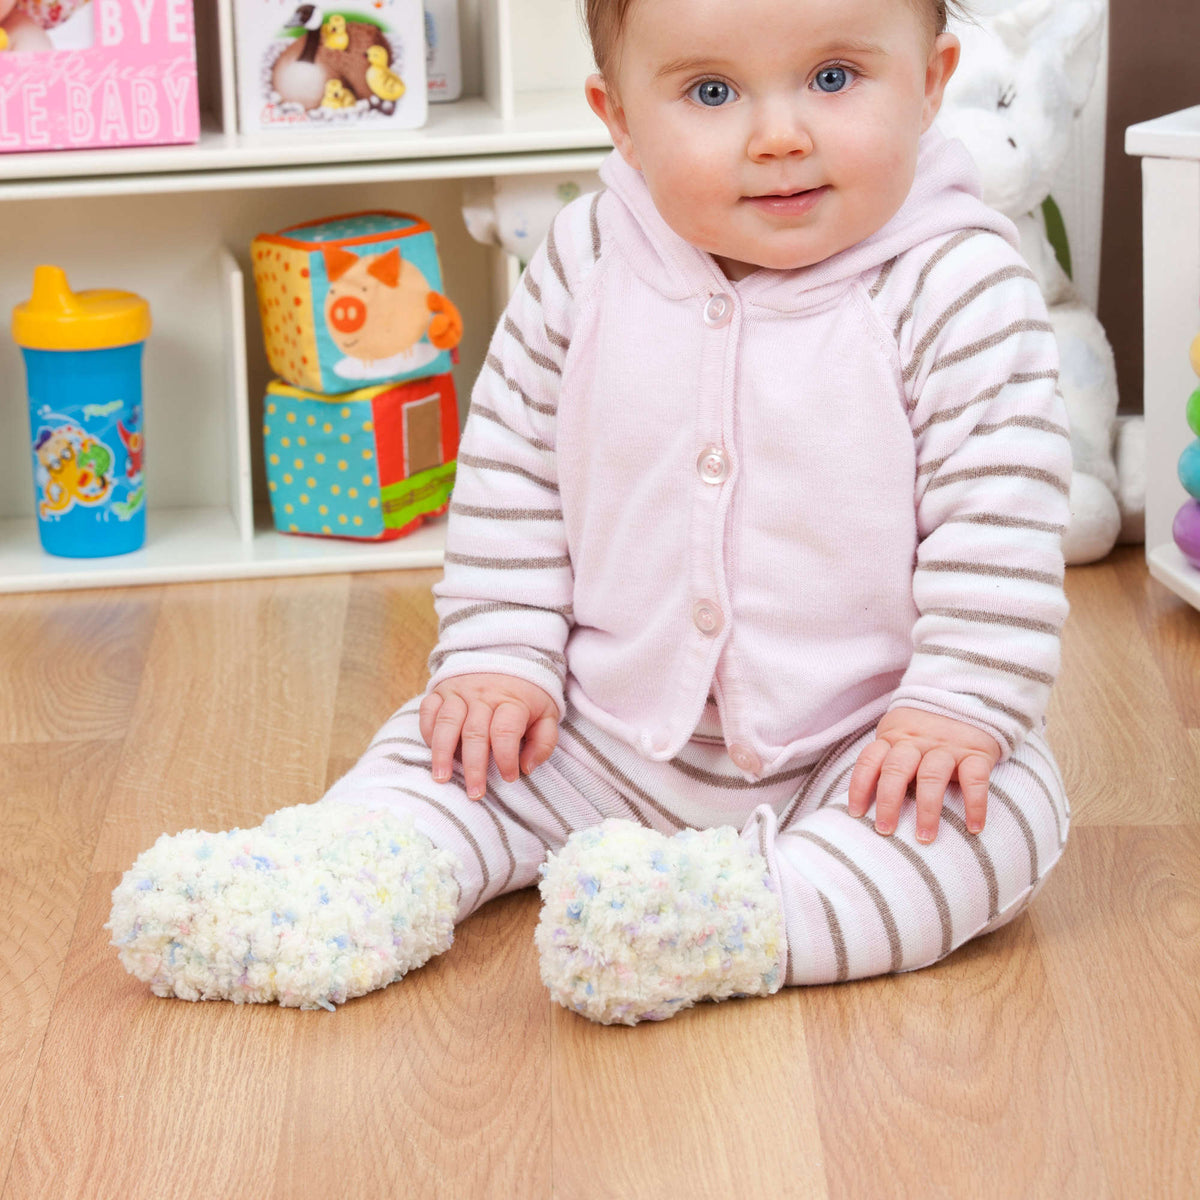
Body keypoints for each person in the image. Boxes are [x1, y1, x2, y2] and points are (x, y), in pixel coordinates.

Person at [110, 0, 1072, 1024]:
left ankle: (735, 917)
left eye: (835, 79)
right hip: (596, 727)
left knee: (996, 813)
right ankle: (342, 879)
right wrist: (499, 654)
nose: (780, 134)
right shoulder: (590, 256)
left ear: (931, 83)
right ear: (618, 117)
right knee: (449, 750)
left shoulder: (958, 283)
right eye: (710, 93)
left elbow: (1000, 519)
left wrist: (956, 705)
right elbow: (517, 465)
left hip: (866, 746)